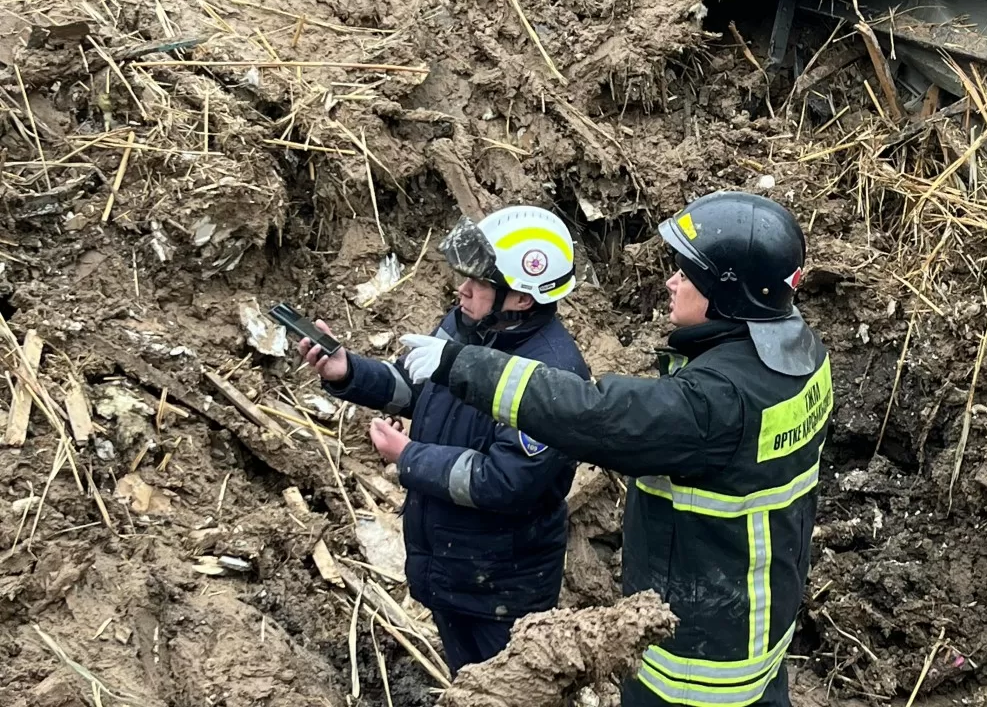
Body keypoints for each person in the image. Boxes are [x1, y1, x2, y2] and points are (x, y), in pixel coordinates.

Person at [392, 191, 832, 706]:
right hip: (760, 613)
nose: (671, 282)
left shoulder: (718, 401)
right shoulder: (799, 354)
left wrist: (462, 366)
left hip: (698, 657)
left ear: (728, 294)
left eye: (687, 275)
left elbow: (599, 416)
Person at [295, 206, 591, 675]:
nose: (463, 289)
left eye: (479, 283)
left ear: (522, 298)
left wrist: (408, 456)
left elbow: (506, 480)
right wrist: (347, 371)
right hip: (449, 570)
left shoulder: (552, 375)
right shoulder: (465, 325)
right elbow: (416, 389)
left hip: (501, 589)